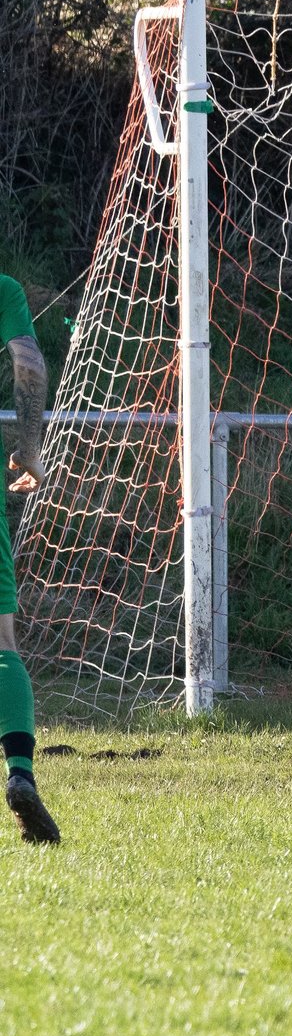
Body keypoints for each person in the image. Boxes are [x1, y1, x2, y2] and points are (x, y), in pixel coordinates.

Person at [0, 273, 56, 845]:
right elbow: (31, 365)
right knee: (1, 644)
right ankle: (19, 773)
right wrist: (30, 445)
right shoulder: (4, 289)